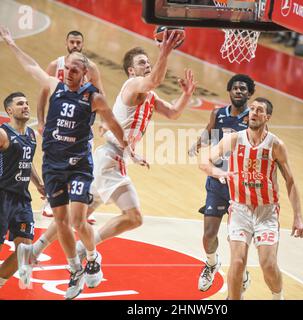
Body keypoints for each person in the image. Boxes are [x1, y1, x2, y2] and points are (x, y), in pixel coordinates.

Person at [15, 30, 196, 289]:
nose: (146, 64)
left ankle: (37, 250)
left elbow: (174, 113)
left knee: (78, 217)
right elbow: (154, 79)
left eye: (148, 61)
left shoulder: (150, 97)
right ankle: (83, 249)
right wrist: (164, 52)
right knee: (130, 216)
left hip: (112, 160)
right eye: (141, 62)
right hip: (108, 160)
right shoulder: (134, 86)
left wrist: (187, 95)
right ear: (131, 72)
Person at [0, 26, 146, 300]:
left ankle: (91, 257)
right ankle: (75, 269)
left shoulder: (94, 97)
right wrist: (10, 43)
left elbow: (114, 126)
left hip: (79, 165)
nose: (68, 73)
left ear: (85, 74)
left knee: (78, 220)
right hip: (53, 166)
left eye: (74, 70)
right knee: (61, 221)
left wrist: (130, 151)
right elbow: (32, 67)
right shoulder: (56, 87)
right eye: (66, 68)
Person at [199, 97, 303, 300]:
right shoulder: (234, 139)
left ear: (267, 117)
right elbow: (204, 160)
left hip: (266, 211)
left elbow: (290, 181)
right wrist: (217, 172)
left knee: (268, 265)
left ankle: (278, 296)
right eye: (252, 109)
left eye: (259, 110)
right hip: (240, 209)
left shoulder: (275, 145)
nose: (254, 113)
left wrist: (298, 217)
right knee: (237, 262)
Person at [188, 74, 255, 293]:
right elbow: (209, 132)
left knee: (236, 238)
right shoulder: (218, 114)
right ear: (229, 91)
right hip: (217, 182)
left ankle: (241, 271)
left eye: (243, 89)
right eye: (235, 88)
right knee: (209, 234)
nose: (239, 91)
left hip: (241, 186)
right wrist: (197, 145)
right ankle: (211, 263)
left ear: (249, 93)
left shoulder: (253, 118)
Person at [39, 30, 104, 223]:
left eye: (78, 42)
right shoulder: (55, 65)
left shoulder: (90, 67)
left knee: (81, 163)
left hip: (82, 123)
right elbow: (43, 94)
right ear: (66, 43)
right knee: (55, 162)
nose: (75, 45)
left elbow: (101, 93)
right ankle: (50, 201)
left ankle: (78, 206)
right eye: (72, 42)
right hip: (58, 122)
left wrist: (105, 120)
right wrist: (41, 121)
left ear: (82, 44)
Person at [0, 92, 44, 288]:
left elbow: (26, 162)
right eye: (20, 104)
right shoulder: (3, 134)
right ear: (9, 110)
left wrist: (38, 184)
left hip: (21, 198)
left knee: (25, 249)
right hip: (2, 196)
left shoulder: (31, 135)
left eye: (27, 103)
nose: (26, 106)